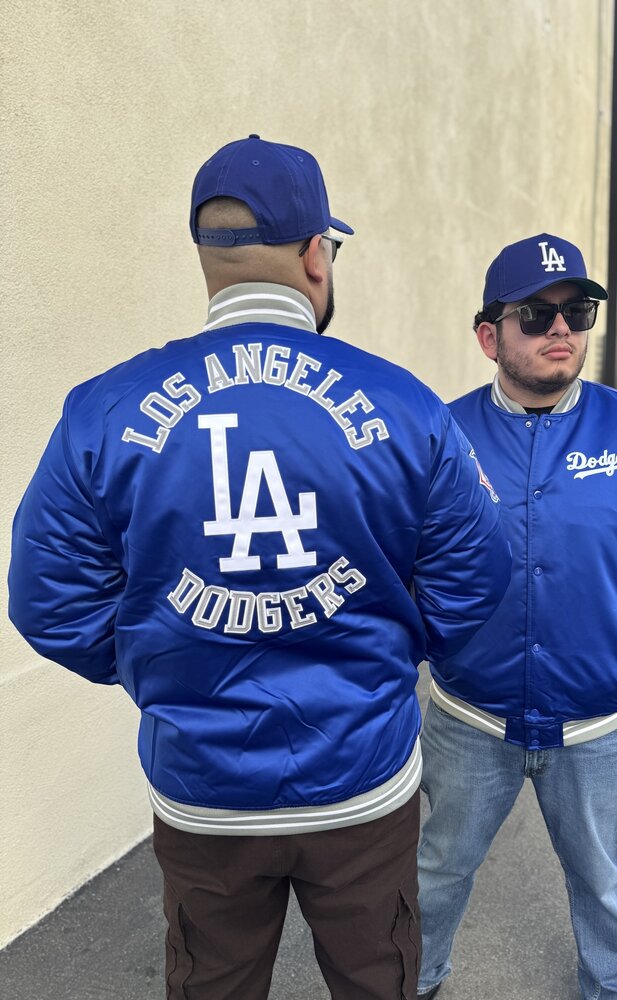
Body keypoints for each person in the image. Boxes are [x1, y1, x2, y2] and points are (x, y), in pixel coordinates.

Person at [8, 134, 512, 1000]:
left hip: (203, 790)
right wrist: (389, 652)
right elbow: (476, 584)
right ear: (316, 254)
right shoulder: (404, 406)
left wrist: (160, 660)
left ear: (209, 262)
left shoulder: (103, 410)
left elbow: (48, 600)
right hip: (361, 782)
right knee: (376, 979)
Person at [416, 233, 617, 1000]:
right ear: (490, 335)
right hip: (470, 716)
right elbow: (397, 553)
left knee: (602, 877)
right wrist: (424, 637)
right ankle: (412, 978)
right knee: (437, 871)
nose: (562, 328)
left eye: (577, 311)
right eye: (536, 313)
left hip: (596, 720)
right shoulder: (439, 434)